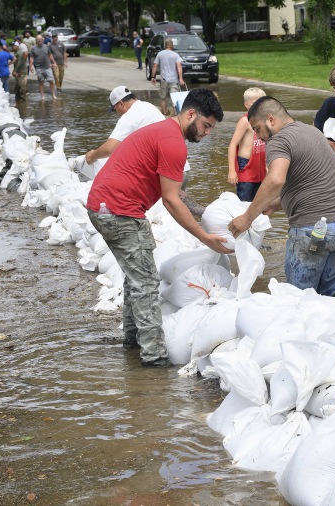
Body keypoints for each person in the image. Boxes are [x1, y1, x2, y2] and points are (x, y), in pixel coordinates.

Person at [85, 88, 230, 367]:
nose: (207, 133)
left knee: (137, 274)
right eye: (206, 125)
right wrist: (204, 237)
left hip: (107, 206)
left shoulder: (164, 131)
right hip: (118, 210)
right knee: (146, 282)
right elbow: (172, 200)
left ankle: (132, 340)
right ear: (190, 114)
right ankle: (154, 357)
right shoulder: (173, 143)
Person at [228, 97, 335, 339]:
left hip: (313, 232)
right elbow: (312, 180)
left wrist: (247, 217)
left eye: (257, 129)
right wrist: (276, 204)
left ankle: (303, 357)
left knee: (299, 298)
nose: (258, 136)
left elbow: (276, 179)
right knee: (332, 296)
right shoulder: (313, 132)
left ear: (270, 119)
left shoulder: (279, 141)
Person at [85, 86, 165, 168]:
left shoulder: (129, 115)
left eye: (115, 109)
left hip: (158, 158)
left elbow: (109, 148)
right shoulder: (148, 106)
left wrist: (92, 156)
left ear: (121, 104)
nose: (117, 113)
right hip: (169, 150)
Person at [227, 87, 268, 202]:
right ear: (247, 105)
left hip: (260, 165)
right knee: (244, 202)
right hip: (246, 166)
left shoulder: (265, 121)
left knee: (259, 202)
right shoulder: (245, 121)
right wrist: (232, 170)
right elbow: (233, 145)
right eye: (256, 103)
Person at [151, 39, 184, 116]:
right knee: (175, 99)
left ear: (165, 45)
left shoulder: (160, 54)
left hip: (164, 80)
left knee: (163, 98)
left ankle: (165, 114)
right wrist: (181, 78)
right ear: (172, 46)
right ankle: (175, 115)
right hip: (174, 80)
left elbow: (155, 66)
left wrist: (153, 77)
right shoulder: (175, 55)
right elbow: (179, 66)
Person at [29, 34, 58, 100]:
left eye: (40, 39)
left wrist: (54, 62)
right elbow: (31, 58)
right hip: (39, 68)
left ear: (42, 40)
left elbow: (50, 55)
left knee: (51, 81)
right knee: (41, 82)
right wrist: (31, 66)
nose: (39, 40)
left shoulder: (46, 47)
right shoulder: (33, 49)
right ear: (36, 40)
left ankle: (53, 95)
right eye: (38, 39)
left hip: (47, 66)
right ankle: (42, 96)